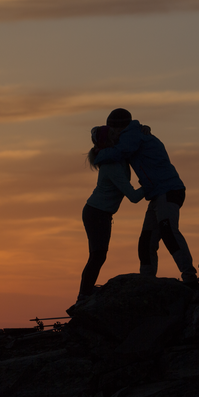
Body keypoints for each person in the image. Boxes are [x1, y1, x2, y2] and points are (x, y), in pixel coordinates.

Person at [94, 108, 199, 289]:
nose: (112, 134)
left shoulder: (131, 138)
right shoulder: (134, 134)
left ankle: (189, 278)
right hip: (159, 194)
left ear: (120, 128)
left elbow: (118, 152)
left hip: (168, 190)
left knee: (168, 232)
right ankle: (147, 282)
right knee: (147, 241)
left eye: (113, 129)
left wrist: (97, 155)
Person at [71, 124, 145, 309]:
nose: (118, 134)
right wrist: (154, 184)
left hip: (97, 212)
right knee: (97, 255)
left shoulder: (115, 158)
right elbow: (134, 197)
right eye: (114, 133)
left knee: (98, 255)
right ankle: (84, 294)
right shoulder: (112, 165)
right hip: (97, 213)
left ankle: (85, 292)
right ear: (109, 141)